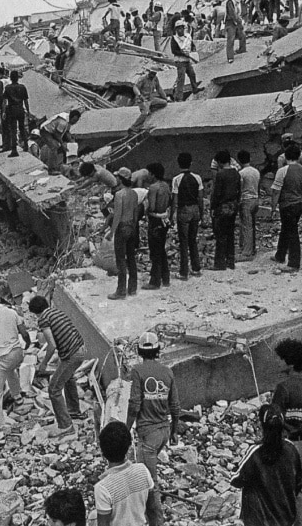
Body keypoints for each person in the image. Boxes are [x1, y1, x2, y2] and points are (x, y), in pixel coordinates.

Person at [126, 332, 179, 524]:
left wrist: (126, 429)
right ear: (158, 350)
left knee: (149, 483)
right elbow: (175, 406)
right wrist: (174, 432)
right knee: (149, 477)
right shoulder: (168, 372)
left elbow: (134, 405)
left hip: (148, 435)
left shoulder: (137, 371)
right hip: (164, 431)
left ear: (139, 351)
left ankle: (157, 521)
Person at [271, 340, 302, 526]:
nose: (277, 362)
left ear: (289, 363)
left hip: (286, 444)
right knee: (300, 491)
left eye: (280, 359)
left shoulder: (283, 388)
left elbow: (275, 421)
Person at [231, 404, 302, 526]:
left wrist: (235, 467)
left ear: (261, 425)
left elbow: (236, 480)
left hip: (259, 520)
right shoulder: (291, 449)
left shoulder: (255, 452)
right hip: (286, 518)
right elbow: (299, 483)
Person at [29, 295, 86, 438]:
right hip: (80, 349)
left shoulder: (43, 319)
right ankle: (74, 412)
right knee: (68, 378)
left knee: (53, 389)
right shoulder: (57, 312)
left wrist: (43, 364)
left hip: (72, 354)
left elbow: (52, 344)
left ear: (35, 312)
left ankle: (66, 426)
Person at [0, 284, 30, 434]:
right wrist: (27, 344)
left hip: (3, 356)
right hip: (17, 353)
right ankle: (18, 397)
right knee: (10, 371)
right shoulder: (11, 312)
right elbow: (24, 333)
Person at [94, 420, 158, 526]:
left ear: (102, 452)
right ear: (128, 447)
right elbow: (152, 510)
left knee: (92, 517)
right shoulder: (143, 470)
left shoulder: (102, 488)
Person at [270, 143, 302, 273]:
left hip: (287, 204)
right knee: (286, 228)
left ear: (285, 156)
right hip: (299, 204)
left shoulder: (282, 171)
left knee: (291, 232)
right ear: (299, 156)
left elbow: (276, 191)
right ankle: (280, 255)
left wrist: (273, 207)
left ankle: (294, 263)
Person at [108, 167, 140, 300]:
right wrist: (134, 227)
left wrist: (112, 232)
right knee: (131, 258)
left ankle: (121, 291)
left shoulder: (119, 195)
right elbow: (135, 213)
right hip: (132, 226)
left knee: (121, 260)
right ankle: (132, 288)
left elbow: (117, 215)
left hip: (122, 227)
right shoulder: (134, 193)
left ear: (120, 179)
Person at [171, 152, 202, 280]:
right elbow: (200, 198)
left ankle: (184, 271)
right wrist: (201, 212)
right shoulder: (197, 177)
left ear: (178, 164)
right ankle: (196, 268)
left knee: (183, 242)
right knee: (193, 240)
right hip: (195, 208)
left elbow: (175, 200)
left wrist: (172, 215)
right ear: (191, 163)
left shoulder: (176, 179)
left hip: (183, 210)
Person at [209, 150, 240, 271]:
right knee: (230, 233)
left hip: (222, 207)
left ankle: (220, 263)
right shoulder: (236, 173)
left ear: (220, 162)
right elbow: (239, 190)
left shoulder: (220, 175)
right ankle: (231, 261)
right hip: (233, 206)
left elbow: (217, 193)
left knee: (220, 235)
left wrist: (212, 207)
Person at [142, 163, 171, 290]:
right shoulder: (166, 186)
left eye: (149, 173)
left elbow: (152, 207)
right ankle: (165, 278)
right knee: (161, 249)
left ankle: (154, 281)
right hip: (164, 219)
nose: (147, 175)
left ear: (153, 174)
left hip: (155, 220)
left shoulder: (153, 188)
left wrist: (146, 209)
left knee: (155, 252)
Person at [235, 151, 260, 262]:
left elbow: (240, 189)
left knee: (246, 226)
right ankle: (252, 248)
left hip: (246, 200)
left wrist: (237, 201)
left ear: (239, 160)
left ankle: (247, 252)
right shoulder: (256, 172)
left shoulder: (241, 173)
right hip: (255, 198)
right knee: (252, 225)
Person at [1, 70, 30, 157]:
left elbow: (4, 101)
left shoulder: (7, 88)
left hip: (11, 110)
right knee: (22, 128)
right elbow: (26, 101)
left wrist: (3, 112)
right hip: (20, 109)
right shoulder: (22, 87)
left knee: (13, 130)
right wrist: (28, 111)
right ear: (18, 78)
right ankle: (26, 145)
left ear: (10, 78)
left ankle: (14, 150)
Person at [169, 20, 198, 101]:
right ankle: (179, 97)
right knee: (181, 79)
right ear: (176, 30)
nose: (179, 30)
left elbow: (192, 45)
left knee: (192, 74)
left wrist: (193, 50)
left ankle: (195, 88)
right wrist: (183, 53)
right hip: (180, 61)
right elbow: (174, 51)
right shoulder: (174, 38)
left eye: (181, 28)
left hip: (187, 60)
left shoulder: (187, 37)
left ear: (183, 28)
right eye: (178, 29)